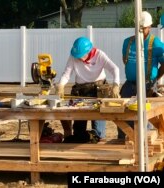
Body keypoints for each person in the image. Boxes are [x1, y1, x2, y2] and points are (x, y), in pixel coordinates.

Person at [55, 36, 120, 142]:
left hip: (98, 90)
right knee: (79, 130)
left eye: (81, 55)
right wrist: (61, 86)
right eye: (78, 56)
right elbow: (66, 74)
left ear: (89, 51)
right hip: (80, 90)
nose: (79, 58)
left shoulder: (99, 55)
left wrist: (116, 85)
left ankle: (97, 149)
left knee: (98, 132)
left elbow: (114, 69)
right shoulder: (73, 56)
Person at [118, 11, 164, 139]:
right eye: (138, 28)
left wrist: (155, 78)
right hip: (130, 85)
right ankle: (123, 142)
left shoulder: (156, 44)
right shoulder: (127, 42)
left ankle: (144, 145)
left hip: (147, 86)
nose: (140, 31)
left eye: (143, 28)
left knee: (144, 117)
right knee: (123, 115)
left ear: (149, 27)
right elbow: (124, 59)